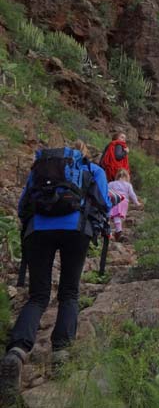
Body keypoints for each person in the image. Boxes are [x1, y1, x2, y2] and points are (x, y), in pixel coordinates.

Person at [0, 141, 111, 400]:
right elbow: (104, 202)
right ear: (85, 153)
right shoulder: (93, 169)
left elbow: (22, 205)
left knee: (38, 295)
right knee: (69, 292)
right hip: (76, 229)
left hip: (37, 230)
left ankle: (17, 351)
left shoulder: (40, 169)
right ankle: (61, 351)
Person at [108, 169, 141, 242]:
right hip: (124, 202)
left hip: (115, 201)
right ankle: (118, 232)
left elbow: (106, 190)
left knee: (113, 217)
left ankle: (116, 232)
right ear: (126, 177)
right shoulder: (128, 185)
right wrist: (136, 203)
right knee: (119, 217)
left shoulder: (112, 183)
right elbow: (132, 194)